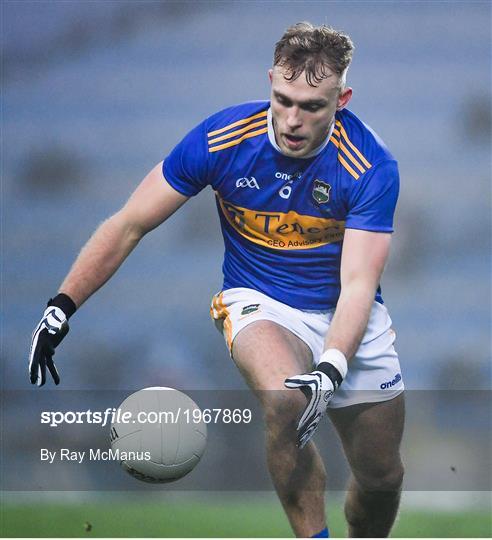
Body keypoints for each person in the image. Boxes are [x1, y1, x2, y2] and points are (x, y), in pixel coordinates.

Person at [29, 22, 405, 538]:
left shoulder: (370, 165)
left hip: (345, 313)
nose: (293, 119)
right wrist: (61, 305)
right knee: (284, 401)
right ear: (270, 80)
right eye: (283, 99)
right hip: (260, 301)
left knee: (381, 477)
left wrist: (333, 365)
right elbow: (129, 223)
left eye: (312, 106)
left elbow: (360, 284)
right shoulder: (222, 139)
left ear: (342, 99)